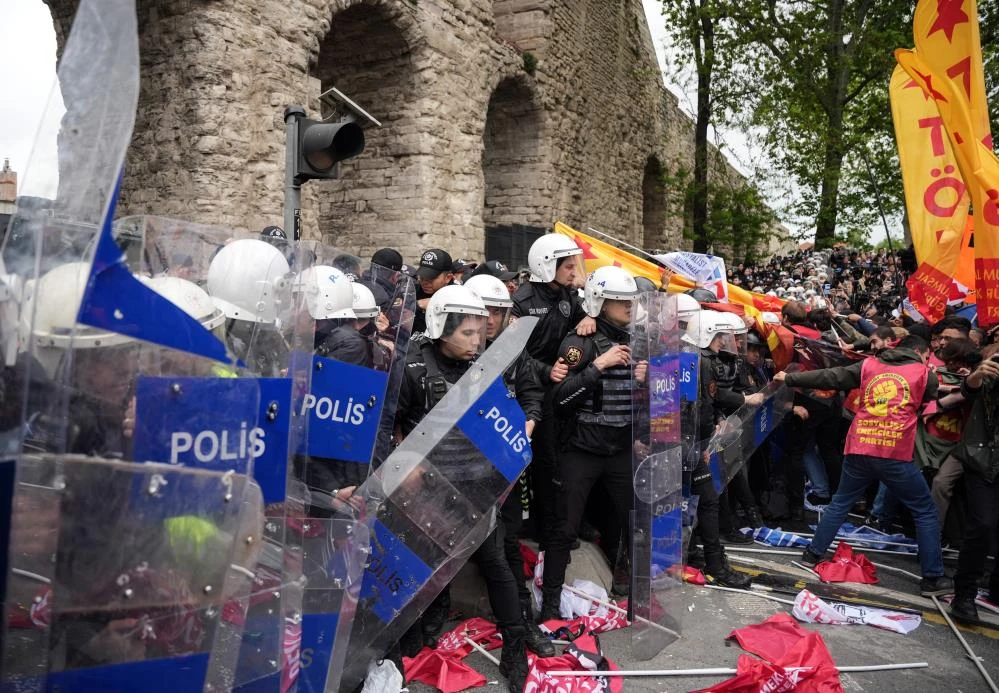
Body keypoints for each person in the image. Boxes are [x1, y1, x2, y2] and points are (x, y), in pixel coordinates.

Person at [394, 284, 536, 690]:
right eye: (468, 334)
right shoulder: (414, 369)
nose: (479, 340)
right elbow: (389, 424)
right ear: (441, 328)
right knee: (417, 565)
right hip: (426, 490)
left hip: (476, 486)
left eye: (480, 332)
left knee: (497, 563)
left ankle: (515, 645)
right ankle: (411, 637)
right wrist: (404, 460)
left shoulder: (485, 368)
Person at [776, 335, 953, 597]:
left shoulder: (869, 365)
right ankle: (932, 578)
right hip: (894, 451)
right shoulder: (925, 373)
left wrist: (790, 378)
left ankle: (812, 554)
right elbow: (927, 398)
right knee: (925, 511)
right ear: (920, 351)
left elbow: (831, 377)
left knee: (840, 503)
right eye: (928, 355)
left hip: (860, 445)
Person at [540, 266, 645, 619]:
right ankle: (550, 604)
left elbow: (646, 404)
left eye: (630, 300)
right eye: (621, 301)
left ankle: (633, 591)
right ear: (601, 302)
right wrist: (597, 365)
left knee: (635, 521)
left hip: (620, 449)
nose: (629, 307)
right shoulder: (578, 342)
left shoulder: (637, 341)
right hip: (582, 449)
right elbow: (560, 400)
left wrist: (646, 381)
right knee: (563, 528)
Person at [463, 273, 553, 657]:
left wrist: (529, 419)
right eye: (484, 312)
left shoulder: (516, 353)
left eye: (498, 312)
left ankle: (520, 623)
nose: (490, 320)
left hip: (503, 461)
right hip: (457, 463)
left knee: (506, 543)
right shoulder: (445, 352)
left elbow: (533, 394)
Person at [511, 234, 594, 549]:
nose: (574, 271)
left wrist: (589, 316)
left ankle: (559, 523)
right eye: (568, 266)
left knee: (558, 458)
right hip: (529, 388)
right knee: (543, 459)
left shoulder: (567, 297)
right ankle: (542, 530)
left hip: (558, 389)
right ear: (547, 265)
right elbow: (513, 351)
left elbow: (581, 322)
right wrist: (546, 371)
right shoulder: (520, 301)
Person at [679, 309, 754, 588]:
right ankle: (712, 563)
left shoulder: (691, 357)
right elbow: (702, 406)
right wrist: (704, 442)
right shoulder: (701, 361)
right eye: (721, 337)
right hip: (688, 444)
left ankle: (702, 556)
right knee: (706, 501)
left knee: (704, 501)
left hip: (689, 443)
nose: (725, 342)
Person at [948, 351, 999, 622]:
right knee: (982, 525)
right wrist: (977, 375)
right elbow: (971, 390)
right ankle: (964, 595)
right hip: (985, 461)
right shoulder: (994, 364)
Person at [412, 248, 455, 335]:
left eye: (431, 277)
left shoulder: (458, 295)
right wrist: (416, 305)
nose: (424, 282)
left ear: (448, 278)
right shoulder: (413, 291)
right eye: (422, 276)